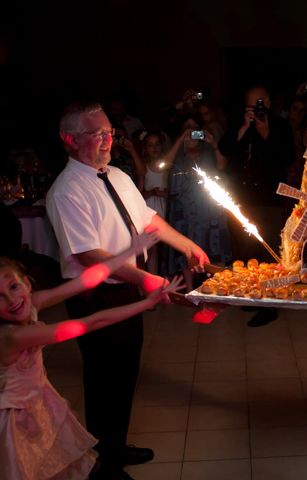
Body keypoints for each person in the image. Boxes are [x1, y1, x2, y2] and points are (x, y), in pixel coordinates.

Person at [46, 102, 210, 480]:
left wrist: (186, 244)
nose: (108, 140)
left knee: (125, 373)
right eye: (97, 134)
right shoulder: (66, 191)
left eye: (110, 133)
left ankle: (114, 445)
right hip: (95, 295)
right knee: (104, 379)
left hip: (125, 291)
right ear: (70, 140)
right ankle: (104, 465)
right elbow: (90, 255)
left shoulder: (116, 175)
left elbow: (148, 220)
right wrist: (146, 280)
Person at [0, 232, 182, 480]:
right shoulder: (12, 336)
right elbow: (91, 322)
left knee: (55, 462)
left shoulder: (34, 302)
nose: (11, 300)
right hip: (14, 417)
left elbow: (87, 279)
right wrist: (147, 301)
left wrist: (131, 251)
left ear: (27, 283)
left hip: (37, 400)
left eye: (13, 286)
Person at [218, 86, 295, 327]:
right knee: (244, 249)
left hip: (268, 200)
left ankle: (269, 305)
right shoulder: (239, 123)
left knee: (268, 251)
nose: (256, 110)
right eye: (251, 106)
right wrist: (243, 128)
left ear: (269, 103)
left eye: (259, 105)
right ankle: (252, 294)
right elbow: (224, 149)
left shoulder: (281, 125)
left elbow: (287, 157)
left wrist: (265, 133)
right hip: (241, 198)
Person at [166, 118, 231, 290]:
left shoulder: (209, 150)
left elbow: (223, 165)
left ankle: (218, 288)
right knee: (186, 249)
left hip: (209, 207)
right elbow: (163, 166)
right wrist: (180, 141)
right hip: (184, 210)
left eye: (195, 129)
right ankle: (189, 289)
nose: (191, 132)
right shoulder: (177, 153)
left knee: (215, 244)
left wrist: (214, 144)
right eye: (187, 129)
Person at [138, 129, 190, 275]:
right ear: (144, 148)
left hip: (166, 210)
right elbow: (139, 194)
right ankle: (152, 279)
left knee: (167, 249)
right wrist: (152, 192)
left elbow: (176, 191)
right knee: (152, 249)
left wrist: (167, 194)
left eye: (157, 144)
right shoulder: (144, 167)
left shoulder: (168, 165)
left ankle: (166, 279)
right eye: (150, 145)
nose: (154, 148)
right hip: (150, 210)